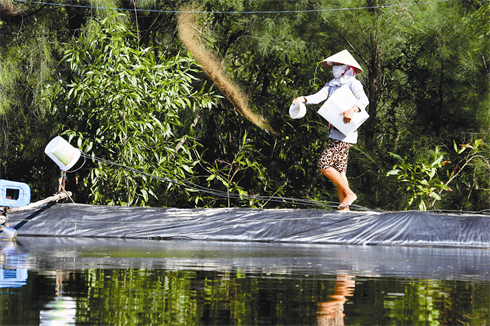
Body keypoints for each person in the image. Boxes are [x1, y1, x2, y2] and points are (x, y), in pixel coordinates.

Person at [292, 50, 369, 211]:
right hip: (336, 131)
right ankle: (344, 209)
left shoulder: (353, 83)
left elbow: (364, 100)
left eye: (339, 65)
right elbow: (319, 96)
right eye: (334, 65)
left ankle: (349, 194)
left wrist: (353, 109)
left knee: (324, 164)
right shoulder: (332, 84)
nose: (335, 68)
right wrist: (304, 99)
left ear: (347, 67)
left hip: (346, 134)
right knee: (340, 171)